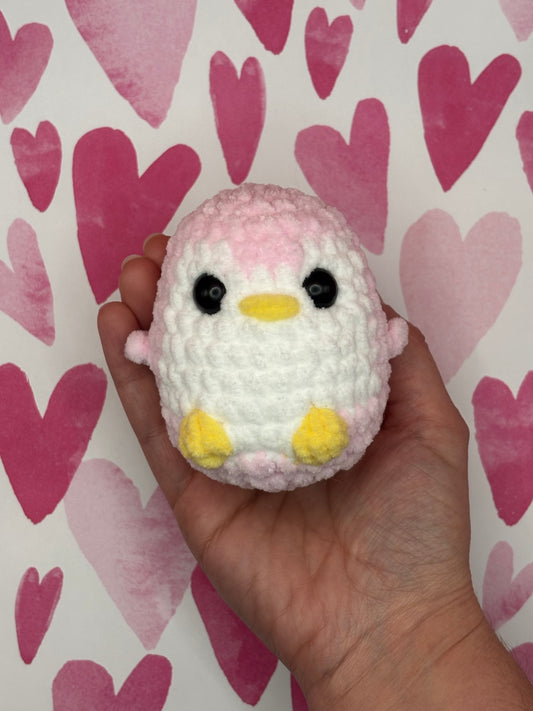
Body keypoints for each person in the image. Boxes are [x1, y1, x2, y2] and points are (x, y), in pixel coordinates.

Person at [98, 233, 533, 710]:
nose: (268, 305)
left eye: (318, 288)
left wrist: (413, 622)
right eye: (212, 293)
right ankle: (214, 429)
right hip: (216, 423)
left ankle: (310, 427)